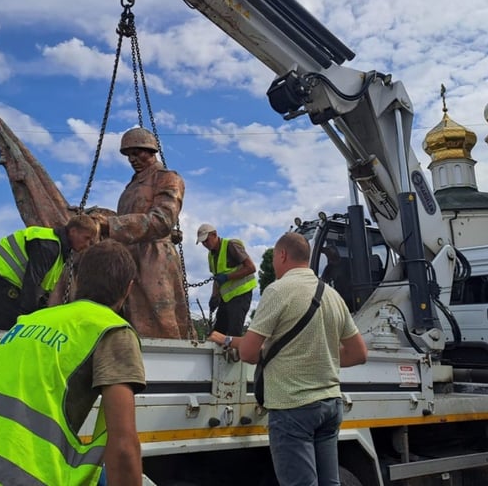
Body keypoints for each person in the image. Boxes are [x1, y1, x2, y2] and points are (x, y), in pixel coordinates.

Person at [0, 239, 145, 486]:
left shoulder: (28, 322)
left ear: (77, 279)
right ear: (128, 288)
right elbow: (123, 448)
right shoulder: (111, 330)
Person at [208, 232, 368, 486]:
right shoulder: (332, 296)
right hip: (330, 405)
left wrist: (227, 340)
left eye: (274, 258)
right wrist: (319, 357)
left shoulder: (279, 291)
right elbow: (359, 353)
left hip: (293, 406)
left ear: (282, 255)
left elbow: (249, 353)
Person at [101, 127, 190, 339]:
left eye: (137, 152)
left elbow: (162, 220)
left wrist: (110, 225)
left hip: (154, 261)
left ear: (151, 150)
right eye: (129, 154)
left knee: (160, 325)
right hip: (127, 261)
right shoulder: (130, 187)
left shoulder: (168, 178)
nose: (132, 158)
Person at [0, 214, 98, 329]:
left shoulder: (60, 252)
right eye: (86, 238)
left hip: (9, 275)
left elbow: (42, 288)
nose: (87, 244)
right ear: (73, 231)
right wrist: (28, 320)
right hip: (0, 270)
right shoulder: (49, 246)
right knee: (10, 325)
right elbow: (32, 282)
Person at [196, 223, 257, 335]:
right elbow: (217, 278)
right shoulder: (211, 255)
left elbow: (251, 268)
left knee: (234, 332)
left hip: (241, 295)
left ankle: (234, 352)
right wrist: (214, 296)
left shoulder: (231, 246)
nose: (205, 244)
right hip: (227, 297)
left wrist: (227, 277)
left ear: (214, 235)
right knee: (219, 332)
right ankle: (219, 351)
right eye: (202, 242)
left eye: (206, 240)